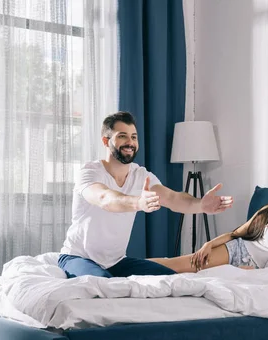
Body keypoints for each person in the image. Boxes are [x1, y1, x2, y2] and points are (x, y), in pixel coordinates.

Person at [59, 111, 234, 278]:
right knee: (102, 284)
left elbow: (173, 198)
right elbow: (105, 198)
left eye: (134, 137)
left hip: (116, 262)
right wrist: (139, 203)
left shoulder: (141, 175)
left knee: (171, 279)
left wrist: (200, 205)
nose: (130, 142)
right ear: (106, 141)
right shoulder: (90, 172)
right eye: (122, 136)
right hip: (78, 257)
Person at [150, 164, 268, 273]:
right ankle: (129, 267)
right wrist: (209, 244)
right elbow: (235, 233)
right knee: (181, 265)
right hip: (239, 251)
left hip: (259, 270)